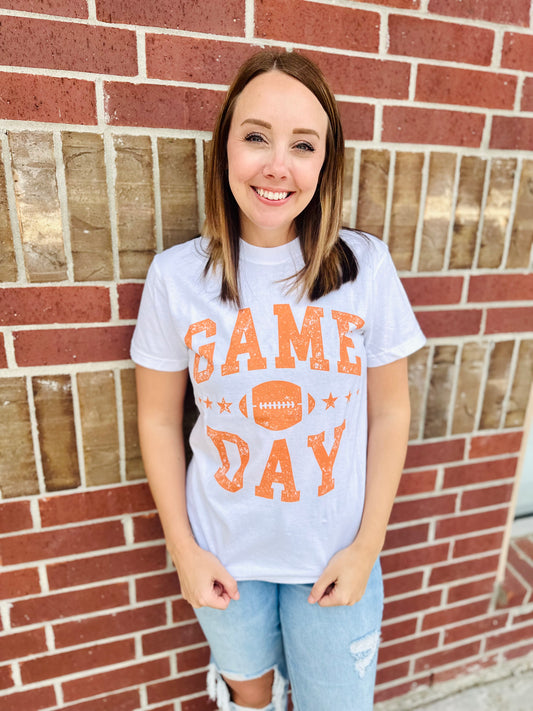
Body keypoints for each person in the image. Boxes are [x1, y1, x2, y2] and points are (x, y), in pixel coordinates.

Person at [131, 50, 425, 711]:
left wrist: (366, 548)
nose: (277, 165)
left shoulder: (364, 268)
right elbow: (157, 418)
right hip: (223, 555)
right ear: (225, 147)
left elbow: (390, 413)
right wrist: (184, 550)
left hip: (334, 555)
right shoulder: (177, 278)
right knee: (250, 694)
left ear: (325, 164)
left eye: (303, 144)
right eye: (257, 137)